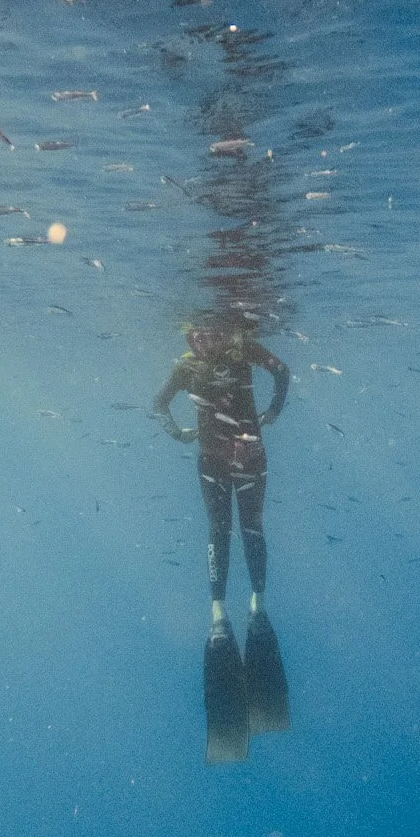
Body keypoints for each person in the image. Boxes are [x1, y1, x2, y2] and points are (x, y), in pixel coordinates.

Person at [154, 323, 292, 760]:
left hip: (246, 456)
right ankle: (221, 613)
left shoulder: (241, 348)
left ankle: (255, 604)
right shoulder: (186, 367)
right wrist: (177, 432)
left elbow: (282, 370)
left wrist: (275, 409)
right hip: (218, 459)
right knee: (221, 529)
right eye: (194, 336)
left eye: (208, 334)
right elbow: (159, 403)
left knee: (250, 528)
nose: (201, 341)